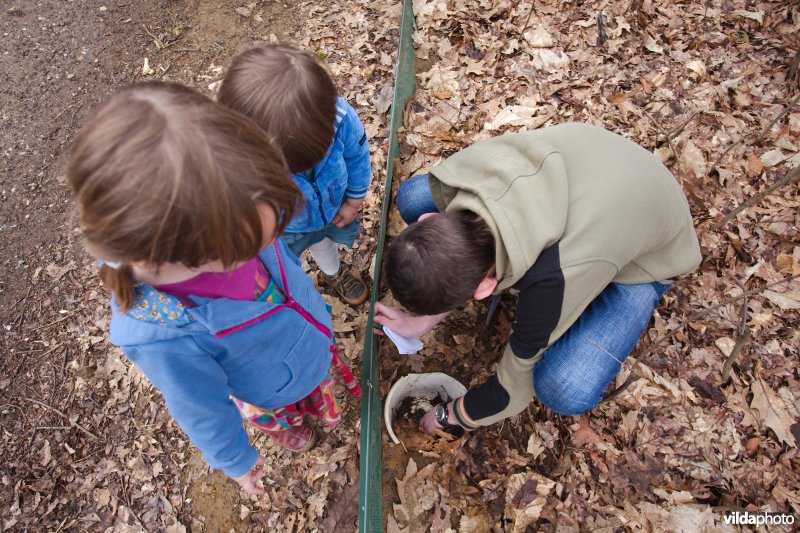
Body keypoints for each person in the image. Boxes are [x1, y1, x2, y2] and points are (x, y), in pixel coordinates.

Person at [67, 81, 361, 495]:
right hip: (270, 387)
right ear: (161, 260)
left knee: (316, 383)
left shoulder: (229, 209)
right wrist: (235, 460)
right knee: (285, 411)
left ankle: (315, 394)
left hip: (308, 340)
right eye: (248, 245)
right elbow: (200, 408)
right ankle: (289, 428)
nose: (266, 242)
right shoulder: (163, 334)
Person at [374, 123, 701, 434]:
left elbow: (511, 391)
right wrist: (425, 321)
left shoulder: (552, 279)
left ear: (485, 288)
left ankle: (614, 290)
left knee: (566, 387)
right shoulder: (469, 172)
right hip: (602, 168)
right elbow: (461, 253)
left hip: (654, 249)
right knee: (414, 196)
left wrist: (451, 414)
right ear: (430, 220)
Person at [218, 44, 371, 306]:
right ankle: (294, 292)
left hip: (331, 211)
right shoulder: (238, 159)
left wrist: (353, 202)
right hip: (284, 228)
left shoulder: (339, 118)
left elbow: (357, 156)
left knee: (323, 242)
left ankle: (333, 274)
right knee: (286, 264)